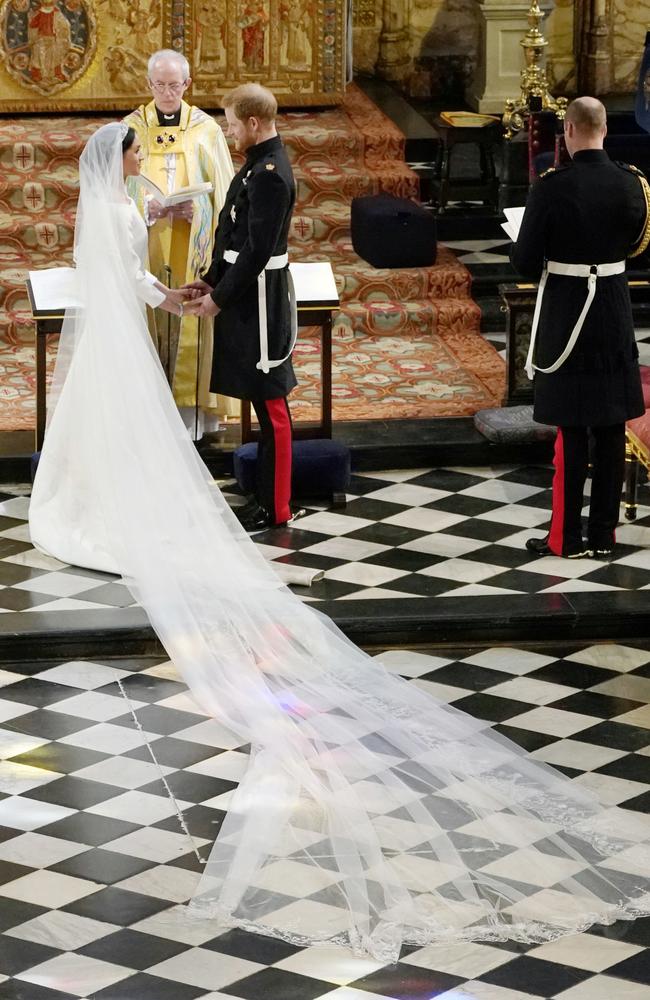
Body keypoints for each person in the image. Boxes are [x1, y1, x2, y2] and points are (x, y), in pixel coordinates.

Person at [30, 120, 650, 965]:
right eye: (134, 146)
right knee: (600, 435)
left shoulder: (146, 191)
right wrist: (169, 292)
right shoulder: (630, 186)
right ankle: (598, 529)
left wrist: (176, 289)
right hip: (600, 314)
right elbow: (129, 268)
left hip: (145, 322)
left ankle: (93, 499)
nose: (144, 150)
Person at [512, 96, 650, 559]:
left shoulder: (552, 186)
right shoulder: (634, 184)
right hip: (613, 308)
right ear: (605, 129)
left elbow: (525, 261)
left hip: (567, 310)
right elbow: (636, 245)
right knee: (611, 426)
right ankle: (604, 538)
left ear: (569, 130)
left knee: (571, 429)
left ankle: (566, 538)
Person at [184, 83, 297, 532]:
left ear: (253, 123)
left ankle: (279, 505)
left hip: (260, 299)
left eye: (232, 124)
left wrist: (218, 298)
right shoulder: (255, 165)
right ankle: (267, 497)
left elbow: (256, 250)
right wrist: (210, 280)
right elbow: (231, 236)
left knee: (272, 405)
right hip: (243, 292)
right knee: (258, 397)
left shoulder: (269, 172)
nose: (230, 133)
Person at [124, 49, 236, 437]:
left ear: (187, 84)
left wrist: (200, 210)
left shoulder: (206, 129)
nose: (168, 93)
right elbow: (118, 188)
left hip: (194, 246)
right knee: (149, 313)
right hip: (149, 242)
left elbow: (224, 193)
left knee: (191, 317)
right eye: (160, 85)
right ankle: (147, 413)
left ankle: (192, 417)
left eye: (175, 85)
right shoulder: (131, 128)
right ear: (148, 84)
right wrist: (147, 208)